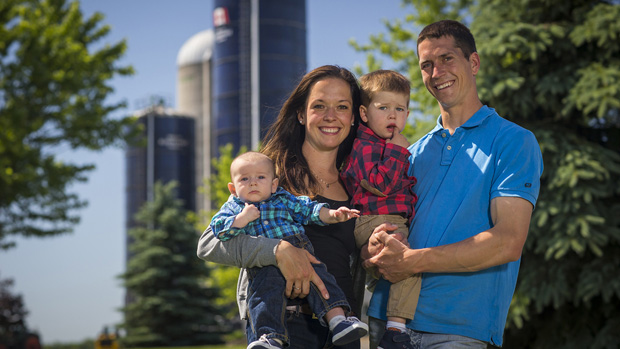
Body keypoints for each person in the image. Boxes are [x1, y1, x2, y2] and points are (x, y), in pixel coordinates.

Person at [362, 20, 544, 348]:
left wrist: (411, 261)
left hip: (458, 329)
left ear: (473, 63)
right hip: (386, 320)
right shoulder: (410, 153)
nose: (437, 72)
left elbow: (507, 241)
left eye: (447, 59)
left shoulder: (514, 141)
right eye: (426, 65)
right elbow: (387, 221)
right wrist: (375, 244)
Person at [197, 65, 366, 349]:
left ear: (353, 118)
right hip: (283, 327)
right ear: (301, 114)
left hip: (342, 328)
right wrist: (277, 251)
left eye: (342, 106)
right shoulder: (265, 177)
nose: (330, 116)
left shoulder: (359, 183)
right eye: (319, 106)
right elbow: (208, 245)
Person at [210, 151, 367, 348]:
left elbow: (309, 210)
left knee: (323, 281)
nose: (253, 183)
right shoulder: (236, 206)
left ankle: (338, 321)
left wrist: (334, 214)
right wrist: (240, 219)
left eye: (260, 177)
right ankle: (269, 337)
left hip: (299, 246)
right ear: (233, 188)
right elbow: (217, 230)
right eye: (244, 179)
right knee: (265, 293)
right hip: (266, 261)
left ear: (274, 184)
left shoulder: (282, 198)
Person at [339, 70, 419, 349]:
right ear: (363, 113)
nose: (392, 116)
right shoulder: (365, 144)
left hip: (384, 218)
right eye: (383, 108)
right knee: (408, 262)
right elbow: (378, 185)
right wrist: (398, 151)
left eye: (399, 109)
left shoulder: (385, 145)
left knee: (404, 266)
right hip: (374, 218)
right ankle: (395, 331)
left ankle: (394, 330)